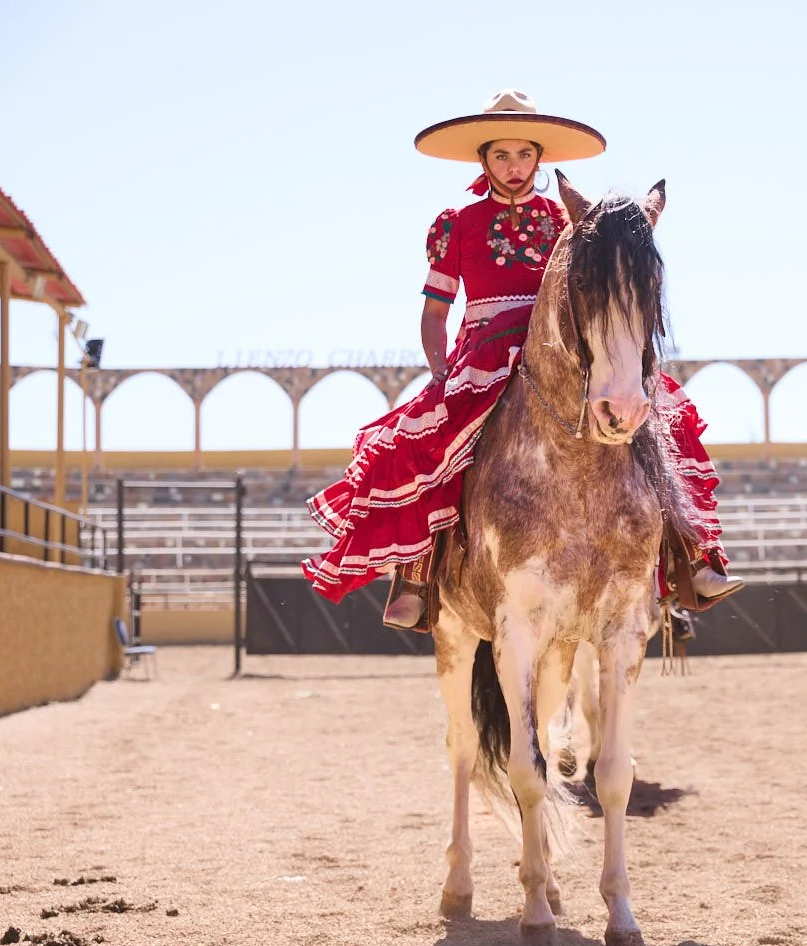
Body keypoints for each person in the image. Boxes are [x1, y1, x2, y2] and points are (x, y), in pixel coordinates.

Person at [302, 90, 742, 629]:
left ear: (540, 159)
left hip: (563, 342)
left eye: (524, 156)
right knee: (434, 441)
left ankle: (686, 561)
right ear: (484, 159)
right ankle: (418, 576)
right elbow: (435, 312)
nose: (514, 167)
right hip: (483, 352)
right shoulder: (456, 223)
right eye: (502, 156)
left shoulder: (571, 218)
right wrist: (441, 373)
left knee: (664, 414)